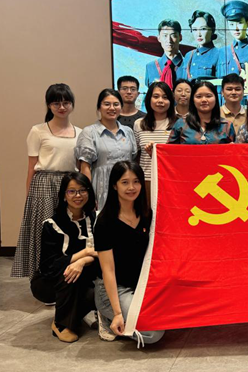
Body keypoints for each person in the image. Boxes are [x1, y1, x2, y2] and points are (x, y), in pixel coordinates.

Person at [12, 84, 82, 279]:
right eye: (56, 103)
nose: (62, 107)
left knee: (70, 228)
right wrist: (29, 197)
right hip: (43, 185)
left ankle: (67, 275)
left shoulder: (80, 132)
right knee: (44, 231)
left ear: (72, 104)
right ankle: (42, 277)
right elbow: (31, 167)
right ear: (49, 105)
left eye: (66, 102)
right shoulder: (38, 131)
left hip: (70, 184)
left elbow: (80, 165)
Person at [94, 161, 165, 346]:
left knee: (171, 317)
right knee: (152, 333)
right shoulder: (104, 222)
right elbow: (108, 270)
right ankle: (108, 316)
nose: (131, 187)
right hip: (115, 289)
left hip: (141, 284)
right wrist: (118, 313)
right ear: (114, 185)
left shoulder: (147, 215)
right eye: (125, 182)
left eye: (136, 181)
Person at [30, 173, 99, 343]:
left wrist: (82, 261)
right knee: (69, 272)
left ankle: (76, 314)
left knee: (97, 290)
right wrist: (84, 253)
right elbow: (49, 266)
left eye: (82, 190)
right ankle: (61, 324)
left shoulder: (96, 219)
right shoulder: (51, 224)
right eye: (72, 191)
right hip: (49, 282)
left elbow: (102, 253)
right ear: (64, 195)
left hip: (84, 276)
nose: (78, 195)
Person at [75, 89, 137, 211]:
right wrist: (88, 194)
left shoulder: (128, 131)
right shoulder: (89, 132)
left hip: (127, 188)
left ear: (121, 107)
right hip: (102, 187)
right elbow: (85, 167)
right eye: (107, 104)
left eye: (116, 104)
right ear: (99, 107)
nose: (112, 108)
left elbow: (133, 161)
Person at [133, 81, 178, 202]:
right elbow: (137, 155)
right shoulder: (139, 124)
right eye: (156, 96)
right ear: (149, 99)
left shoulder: (179, 124)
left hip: (171, 180)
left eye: (165, 97)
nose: (160, 101)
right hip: (146, 179)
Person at [168, 81, 236, 144]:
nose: (204, 100)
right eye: (199, 96)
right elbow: (168, 150)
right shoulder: (181, 124)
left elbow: (235, 150)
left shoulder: (226, 126)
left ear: (216, 98)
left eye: (208, 96)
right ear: (193, 100)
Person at [216, 0, 248, 92]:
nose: (236, 28)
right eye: (231, 24)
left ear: (247, 23)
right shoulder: (222, 52)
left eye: (240, 23)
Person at [144, 19, 185, 89]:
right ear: (159, 38)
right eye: (165, 36)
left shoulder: (189, 65)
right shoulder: (151, 67)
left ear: (180, 37)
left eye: (173, 35)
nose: (169, 40)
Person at [184, 10, 219, 81]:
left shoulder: (219, 54)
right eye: (194, 29)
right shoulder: (188, 55)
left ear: (212, 30)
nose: (198, 34)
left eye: (203, 29)